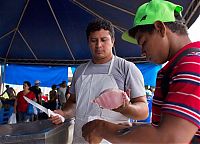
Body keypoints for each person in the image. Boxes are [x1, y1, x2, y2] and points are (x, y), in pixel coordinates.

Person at [82, 0, 200, 143]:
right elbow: (162, 128)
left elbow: (169, 140)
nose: (142, 52)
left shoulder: (192, 65)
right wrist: (129, 129)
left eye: (144, 42)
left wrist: (101, 128)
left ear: (160, 28)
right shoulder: (177, 66)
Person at [51, 18, 148, 143]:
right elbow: (74, 102)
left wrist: (125, 107)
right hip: (81, 139)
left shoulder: (126, 68)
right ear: (88, 42)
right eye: (93, 40)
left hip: (112, 140)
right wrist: (64, 113)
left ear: (113, 41)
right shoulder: (80, 71)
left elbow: (143, 111)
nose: (99, 45)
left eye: (104, 40)